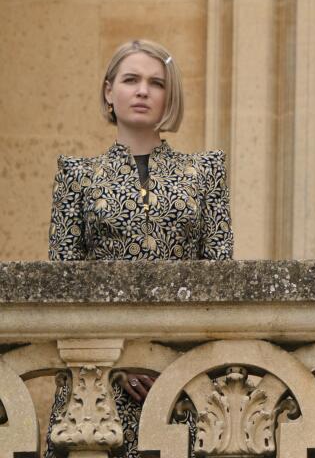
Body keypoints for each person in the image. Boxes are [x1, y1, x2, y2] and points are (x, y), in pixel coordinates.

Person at [47, 39, 232, 458]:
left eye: (156, 82)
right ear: (109, 91)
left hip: (185, 383)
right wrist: (123, 358)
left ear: (170, 96)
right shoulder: (77, 175)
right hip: (96, 383)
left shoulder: (204, 173)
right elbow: (64, 286)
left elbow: (220, 282)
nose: (143, 90)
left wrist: (174, 361)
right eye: (131, 80)